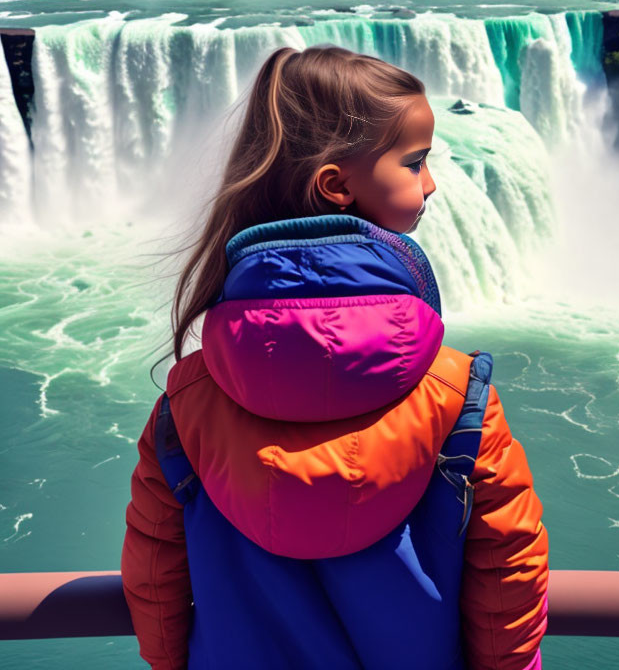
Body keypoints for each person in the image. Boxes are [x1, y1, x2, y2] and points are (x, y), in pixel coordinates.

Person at [122, 45, 549, 670]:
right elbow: (507, 572)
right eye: (416, 162)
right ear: (336, 185)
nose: (430, 183)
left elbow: (155, 577)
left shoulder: (186, 402)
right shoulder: (458, 396)